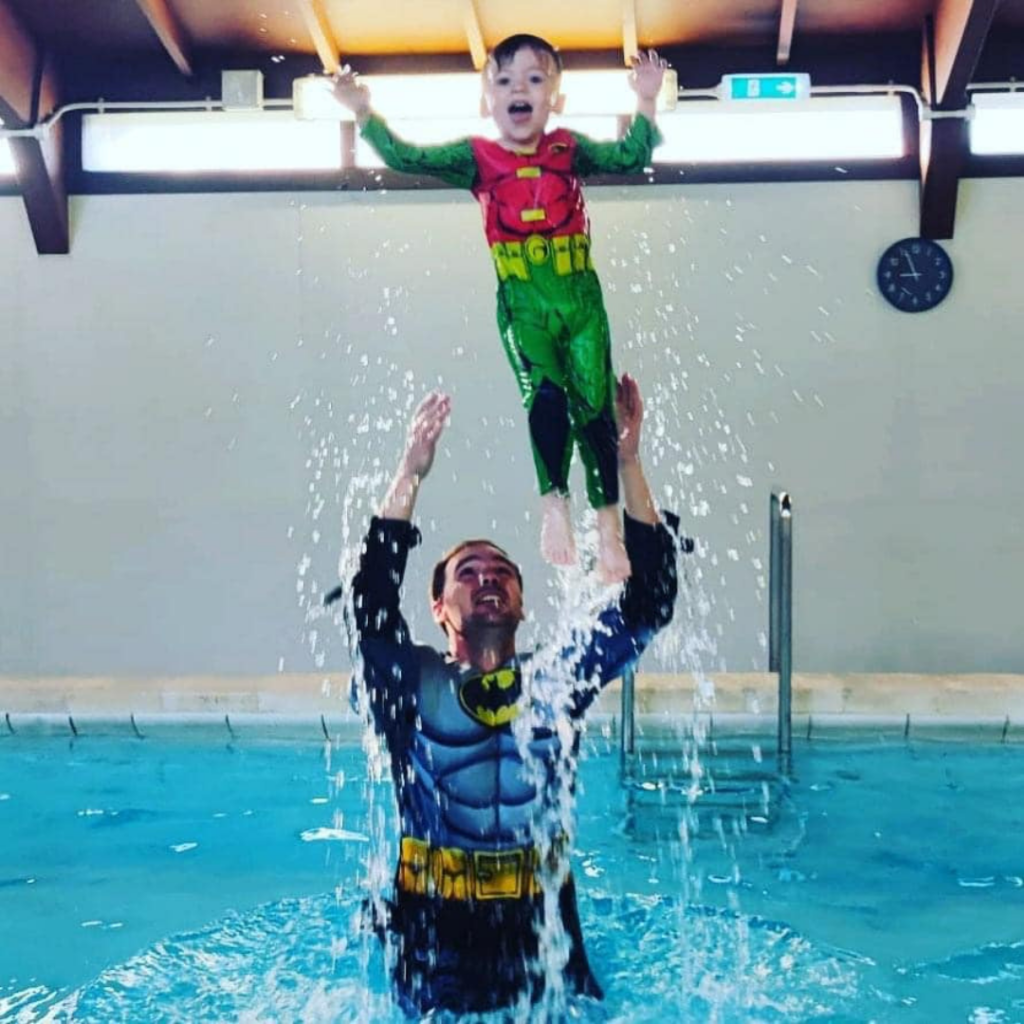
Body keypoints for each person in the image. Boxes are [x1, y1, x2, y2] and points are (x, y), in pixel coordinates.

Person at [345, 373, 680, 1016]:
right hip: (433, 924)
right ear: (439, 606)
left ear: (524, 603)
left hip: (543, 919)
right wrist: (410, 474)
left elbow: (650, 603)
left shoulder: (558, 676)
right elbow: (372, 608)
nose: (487, 581)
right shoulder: (412, 684)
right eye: (467, 575)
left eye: (501, 573)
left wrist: (628, 464)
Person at [331, 36, 670, 583]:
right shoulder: (476, 158)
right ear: (486, 98)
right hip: (523, 302)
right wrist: (363, 112)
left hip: (582, 300)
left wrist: (647, 101)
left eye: (536, 80)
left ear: (555, 100)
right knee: (549, 394)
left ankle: (609, 534)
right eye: (506, 80)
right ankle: (553, 502)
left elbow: (631, 155)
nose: (520, 90)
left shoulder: (568, 148)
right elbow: (406, 156)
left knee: (596, 413)